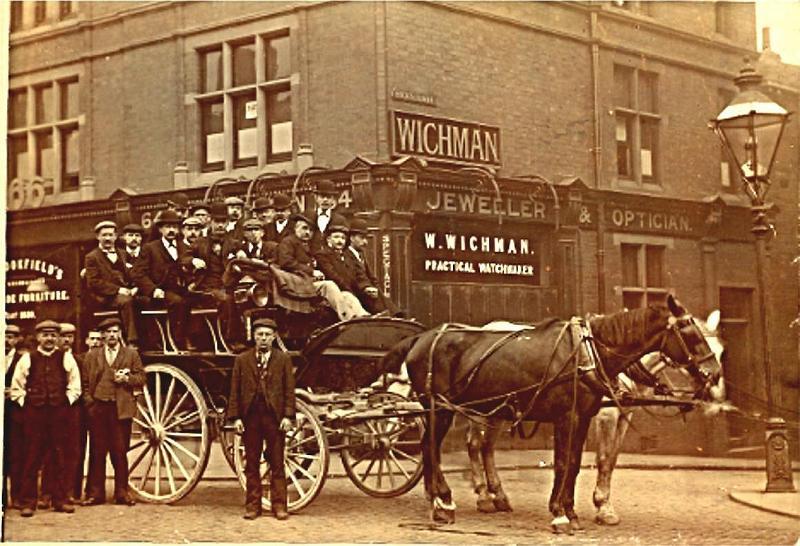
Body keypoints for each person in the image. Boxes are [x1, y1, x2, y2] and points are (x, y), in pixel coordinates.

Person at [10, 320, 81, 517]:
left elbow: (75, 386)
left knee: (59, 457)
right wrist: (29, 406)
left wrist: (65, 403)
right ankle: (28, 502)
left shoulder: (66, 358)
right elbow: (17, 388)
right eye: (45, 335)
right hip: (35, 415)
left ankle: (60, 500)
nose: (49, 339)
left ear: (57, 338)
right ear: (38, 337)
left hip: (58, 415)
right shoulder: (27, 359)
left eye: (53, 335)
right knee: (31, 457)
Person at [227, 318, 295, 520]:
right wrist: (236, 417)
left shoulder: (283, 359)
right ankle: (252, 506)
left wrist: (288, 416)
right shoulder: (242, 360)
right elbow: (235, 392)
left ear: (274, 337)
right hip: (251, 419)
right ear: (254, 337)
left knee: (277, 463)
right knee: (252, 464)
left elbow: (289, 391)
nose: (263, 339)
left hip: (274, 418)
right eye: (259, 335)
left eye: (267, 335)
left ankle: (280, 506)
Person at [80, 318, 144, 507]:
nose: (112, 335)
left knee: (119, 452)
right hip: (98, 408)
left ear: (120, 334)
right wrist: (90, 404)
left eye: (115, 331)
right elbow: (84, 383)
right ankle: (95, 494)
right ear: (103, 335)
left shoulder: (131, 355)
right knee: (97, 452)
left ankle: (122, 493)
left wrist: (127, 379)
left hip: (120, 410)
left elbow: (141, 377)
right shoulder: (92, 356)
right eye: (108, 332)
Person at [277, 214, 368, 321]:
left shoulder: (308, 245)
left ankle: (364, 316)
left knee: (346, 295)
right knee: (328, 285)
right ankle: (348, 318)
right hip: (295, 284)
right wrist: (311, 271)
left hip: (308, 282)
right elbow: (286, 262)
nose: (308, 232)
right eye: (304, 228)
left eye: (311, 230)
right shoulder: (288, 242)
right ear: (296, 228)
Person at [131, 210, 193, 351]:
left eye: (174, 227)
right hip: (161, 291)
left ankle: (193, 336)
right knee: (178, 303)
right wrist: (153, 290)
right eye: (167, 227)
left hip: (182, 289)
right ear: (160, 229)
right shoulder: (150, 248)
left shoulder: (185, 248)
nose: (171, 230)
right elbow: (138, 274)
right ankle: (177, 341)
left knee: (198, 300)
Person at [84, 220, 140, 348]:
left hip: (127, 292)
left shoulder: (124, 254)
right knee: (126, 302)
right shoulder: (91, 257)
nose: (108, 238)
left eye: (110, 235)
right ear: (98, 237)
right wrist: (118, 290)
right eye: (104, 235)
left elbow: (135, 274)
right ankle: (132, 341)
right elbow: (94, 282)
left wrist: (135, 287)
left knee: (146, 300)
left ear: (115, 236)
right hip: (106, 297)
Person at [313, 219, 371, 317]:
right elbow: (332, 275)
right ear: (328, 240)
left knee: (349, 297)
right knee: (346, 295)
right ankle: (349, 319)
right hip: (329, 293)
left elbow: (354, 276)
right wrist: (349, 289)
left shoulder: (346, 257)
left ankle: (363, 317)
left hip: (344, 292)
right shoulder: (322, 255)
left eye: (343, 238)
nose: (340, 241)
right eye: (336, 237)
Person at [72, 328, 104, 502]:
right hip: (80, 410)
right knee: (78, 450)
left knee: (97, 451)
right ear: (86, 341)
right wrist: (87, 400)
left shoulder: (105, 359)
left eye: (99, 339)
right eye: (92, 339)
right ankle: (74, 491)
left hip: (97, 411)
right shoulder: (78, 359)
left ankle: (93, 491)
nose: (95, 342)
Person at [344, 218, 399, 315]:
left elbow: (372, 278)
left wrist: (376, 288)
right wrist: (365, 288)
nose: (365, 242)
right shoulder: (346, 256)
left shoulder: (362, 255)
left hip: (371, 294)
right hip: (359, 294)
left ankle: (397, 316)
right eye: (362, 238)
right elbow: (351, 278)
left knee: (381, 297)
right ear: (352, 238)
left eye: (366, 238)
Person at [4, 324, 26, 509]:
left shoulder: (23, 359)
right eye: (4, 335)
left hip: (14, 413)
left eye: (11, 337)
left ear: (17, 340)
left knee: (16, 454)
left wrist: (15, 393)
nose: (6, 340)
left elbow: (29, 383)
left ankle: (17, 496)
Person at [310, 180, 339, 254]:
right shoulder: (309, 218)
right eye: (322, 196)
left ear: (333, 199)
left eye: (328, 197)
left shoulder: (340, 220)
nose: (325, 200)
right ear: (316, 198)